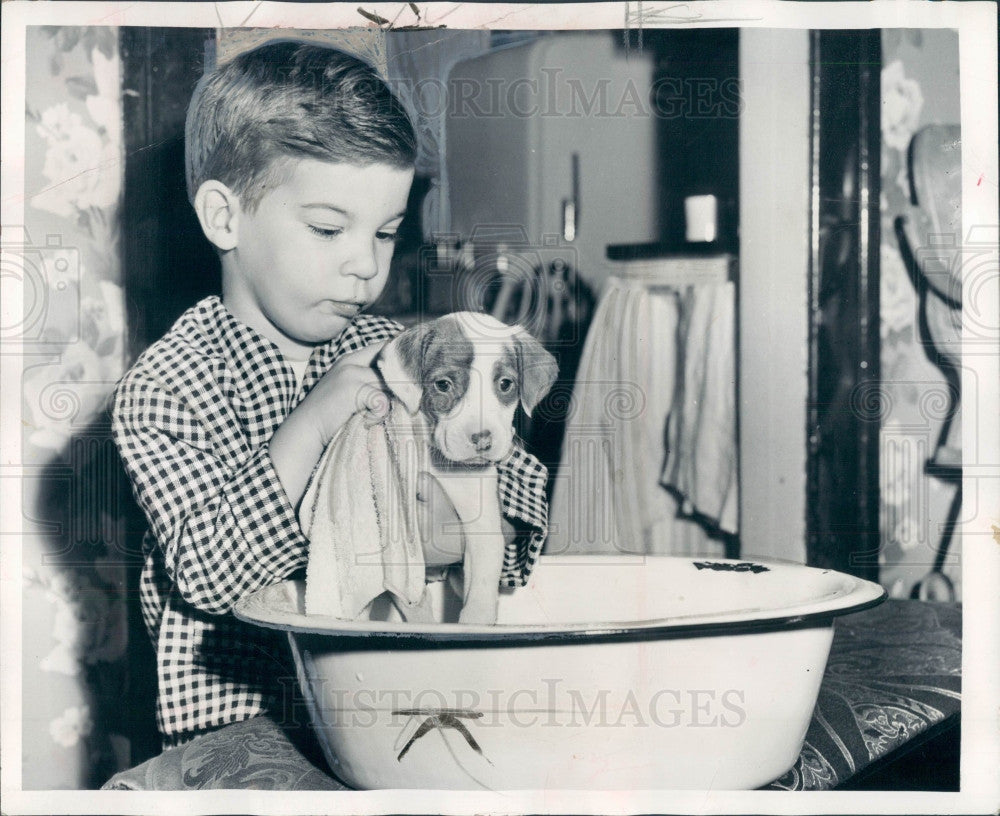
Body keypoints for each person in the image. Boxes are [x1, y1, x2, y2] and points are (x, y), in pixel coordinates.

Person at [111, 41, 549, 748]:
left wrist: (468, 497)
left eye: (386, 232)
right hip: (240, 721)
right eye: (328, 228)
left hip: (391, 699)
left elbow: (521, 505)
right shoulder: (168, 388)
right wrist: (312, 426)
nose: (367, 266)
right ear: (224, 218)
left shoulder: (393, 353)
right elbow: (208, 576)